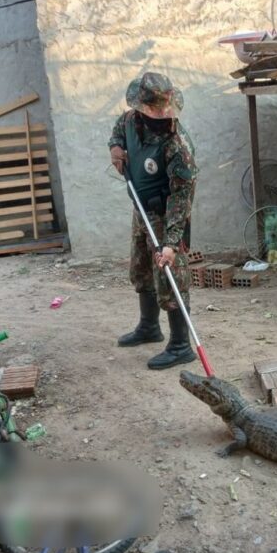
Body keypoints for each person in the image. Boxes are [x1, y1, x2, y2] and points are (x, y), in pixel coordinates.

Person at [108, 72, 197, 370]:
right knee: (141, 269)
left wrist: (171, 243)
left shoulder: (178, 146)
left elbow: (181, 200)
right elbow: (118, 130)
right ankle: (149, 327)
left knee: (170, 278)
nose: (161, 117)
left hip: (167, 216)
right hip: (141, 210)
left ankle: (181, 345)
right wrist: (116, 148)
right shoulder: (130, 121)